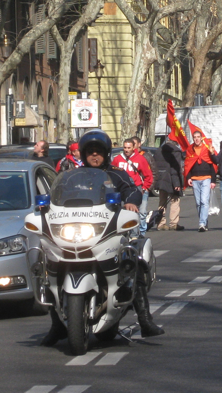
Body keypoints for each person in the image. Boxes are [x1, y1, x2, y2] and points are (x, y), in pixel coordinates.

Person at [40, 130, 164, 345]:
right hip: (77, 232)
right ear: (83, 154)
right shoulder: (73, 176)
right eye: (90, 152)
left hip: (109, 231)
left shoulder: (117, 174)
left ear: (106, 154)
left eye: (98, 152)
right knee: (47, 264)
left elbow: (132, 190)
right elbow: (57, 196)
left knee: (133, 260)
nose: (94, 156)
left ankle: (144, 319)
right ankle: (57, 325)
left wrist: (131, 201)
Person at [113, 138, 154, 236]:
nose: (126, 150)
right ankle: (124, 235)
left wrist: (144, 188)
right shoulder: (117, 159)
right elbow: (112, 174)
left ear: (133, 148)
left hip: (136, 189)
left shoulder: (140, 159)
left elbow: (148, 175)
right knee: (122, 213)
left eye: (128, 148)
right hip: (122, 190)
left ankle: (137, 236)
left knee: (137, 213)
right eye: (125, 147)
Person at [184, 129, 218, 232]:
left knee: (204, 201)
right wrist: (188, 177)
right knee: (198, 203)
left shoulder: (207, 149)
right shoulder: (190, 149)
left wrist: (213, 180)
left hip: (206, 178)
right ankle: (204, 220)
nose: (196, 139)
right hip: (195, 179)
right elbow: (188, 164)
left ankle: (202, 223)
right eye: (194, 137)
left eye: (198, 137)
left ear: (201, 138)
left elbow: (212, 164)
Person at [156, 135, 185, 231]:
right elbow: (175, 168)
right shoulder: (175, 151)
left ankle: (160, 222)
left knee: (162, 201)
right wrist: (177, 183)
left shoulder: (159, 150)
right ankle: (173, 223)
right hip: (171, 179)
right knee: (175, 200)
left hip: (161, 178)